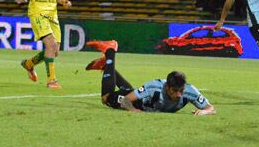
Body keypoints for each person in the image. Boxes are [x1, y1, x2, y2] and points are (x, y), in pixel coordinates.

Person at [84, 40, 215, 115]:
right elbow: (125, 100)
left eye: (181, 90)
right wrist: (133, 109)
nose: (179, 94)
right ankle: (110, 51)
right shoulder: (154, 87)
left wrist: (204, 112)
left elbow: (211, 108)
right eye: (175, 91)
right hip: (137, 103)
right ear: (167, 87)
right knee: (106, 97)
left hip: (142, 100)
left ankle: (106, 66)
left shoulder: (189, 91)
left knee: (131, 90)